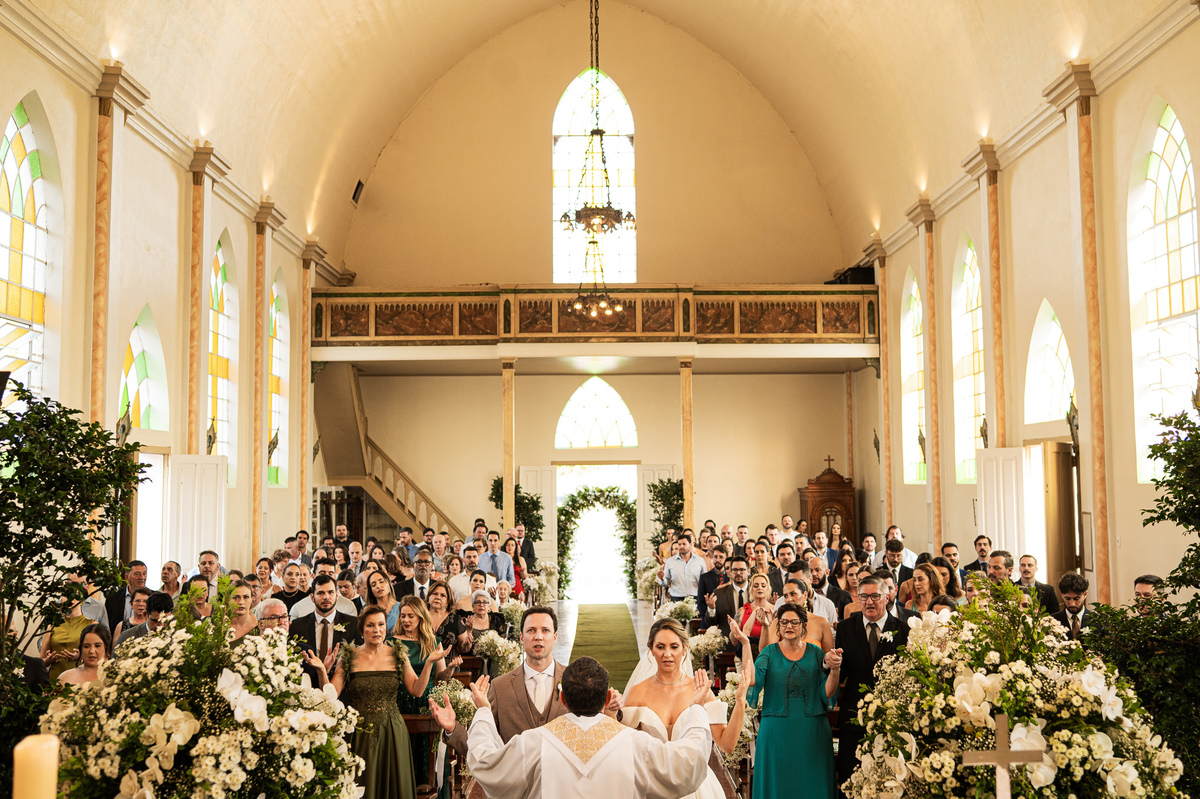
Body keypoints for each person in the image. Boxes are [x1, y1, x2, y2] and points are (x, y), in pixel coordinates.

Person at [465, 656, 714, 799]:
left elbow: (485, 762)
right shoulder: (635, 743)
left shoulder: (534, 742)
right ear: (608, 698)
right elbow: (689, 761)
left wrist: (484, 710)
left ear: (562, 699)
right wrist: (696, 707)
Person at [301, 605, 444, 799]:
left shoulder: (398, 655)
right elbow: (331, 695)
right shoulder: (349, 657)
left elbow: (417, 690)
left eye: (381, 625)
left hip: (392, 732)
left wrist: (429, 663)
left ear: (386, 627)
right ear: (362, 630)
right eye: (370, 625)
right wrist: (321, 671)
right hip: (360, 733)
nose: (377, 630)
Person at [620, 618, 754, 799]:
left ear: (684, 649)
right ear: (651, 650)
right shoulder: (637, 693)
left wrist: (740, 701)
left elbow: (727, 745)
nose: (667, 654)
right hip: (651, 784)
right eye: (660, 647)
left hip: (695, 786)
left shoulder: (700, 689)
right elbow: (624, 748)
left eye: (674, 647)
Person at [437, 606, 573, 761]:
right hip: (516, 775)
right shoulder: (500, 687)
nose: (538, 637)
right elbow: (480, 745)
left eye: (545, 630)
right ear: (521, 637)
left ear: (555, 637)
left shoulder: (573, 680)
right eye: (531, 630)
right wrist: (453, 729)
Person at [748, 603, 842, 799]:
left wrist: (835, 670)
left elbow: (827, 693)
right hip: (776, 733)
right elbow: (753, 681)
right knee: (778, 784)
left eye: (794, 622)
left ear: (804, 626)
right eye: (783, 623)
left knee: (812, 785)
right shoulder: (768, 653)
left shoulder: (816, 653)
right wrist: (744, 642)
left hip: (813, 732)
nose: (788, 626)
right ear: (778, 627)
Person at [835, 576, 910, 790]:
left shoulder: (903, 630)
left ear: (887, 597)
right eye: (864, 596)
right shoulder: (845, 628)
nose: (869, 602)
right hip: (854, 717)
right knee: (851, 781)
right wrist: (829, 664)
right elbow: (840, 672)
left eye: (875, 596)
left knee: (889, 783)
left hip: (891, 719)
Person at [395, 596, 456, 788]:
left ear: (421, 617)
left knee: (425, 753)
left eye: (410, 616)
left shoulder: (433, 641)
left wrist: (450, 668)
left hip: (426, 702)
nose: (405, 620)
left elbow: (441, 678)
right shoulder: (391, 642)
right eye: (403, 616)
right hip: (400, 701)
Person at [41, 581, 93, 682]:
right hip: (55, 678)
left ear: (82, 600)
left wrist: (80, 657)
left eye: (75, 595)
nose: (71, 599)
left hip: (81, 679)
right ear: (62, 599)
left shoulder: (91, 625)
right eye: (67, 595)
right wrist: (48, 660)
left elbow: (101, 657)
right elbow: (42, 660)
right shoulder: (52, 625)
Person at [765, 578, 833, 653]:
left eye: (793, 594)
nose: (789, 599)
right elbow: (768, 653)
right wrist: (765, 626)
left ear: (805, 595)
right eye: (786, 596)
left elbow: (829, 657)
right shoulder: (778, 622)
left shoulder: (822, 623)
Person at [705, 556, 751, 640]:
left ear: (748, 571)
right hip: (728, 642)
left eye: (742, 570)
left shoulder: (756, 592)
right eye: (735, 570)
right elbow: (711, 624)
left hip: (752, 641)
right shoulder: (719, 593)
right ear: (730, 572)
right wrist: (711, 609)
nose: (738, 573)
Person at [425, 581, 471, 654]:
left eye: (443, 595)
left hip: (449, 660)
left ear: (448, 601)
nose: (438, 597)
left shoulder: (455, 619)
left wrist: (466, 644)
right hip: (424, 660)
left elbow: (464, 649)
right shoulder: (420, 616)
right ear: (428, 597)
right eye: (435, 594)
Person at [659, 533, 705, 602]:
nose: (681, 546)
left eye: (684, 544)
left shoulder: (699, 560)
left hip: (695, 597)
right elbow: (665, 582)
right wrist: (662, 579)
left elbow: (705, 580)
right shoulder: (671, 561)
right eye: (679, 544)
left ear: (690, 545)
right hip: (676, 598)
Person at [104, 560, 148, 631]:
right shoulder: (113, 599)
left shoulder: (154, 597)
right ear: (127, 577)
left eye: (144, 574)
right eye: (137, 574)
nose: (142, 577)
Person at [737, 573, 774, 656]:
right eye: (756, 586)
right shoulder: (742, 610)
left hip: (770, 655)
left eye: (763, 586)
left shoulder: (775, 610)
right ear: (751, 589)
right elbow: (735, 640)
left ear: (768, 589)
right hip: (747, 654)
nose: (760, 588)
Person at [1052, 572, 1092, 639]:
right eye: (1067, 599)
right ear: (1062, 595)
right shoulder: (1053, 621)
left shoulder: (1098, 621)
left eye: (1076, 599)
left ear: (1085, 594)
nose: (1072, 604)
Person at [696, 543, 727, 628]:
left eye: (721, 557)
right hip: (708, 620)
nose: (718, 560)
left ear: (726, 558)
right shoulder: (704, 577)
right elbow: (700, 601)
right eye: (715, 557)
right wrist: (708, 617)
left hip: (727, 621)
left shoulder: (730, 577)